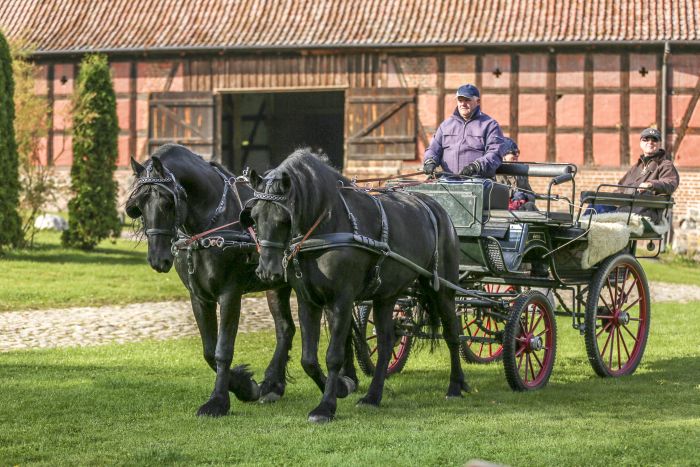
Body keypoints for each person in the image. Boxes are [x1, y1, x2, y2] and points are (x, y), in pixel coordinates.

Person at [589, 127, 679, 223]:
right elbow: (621, 188)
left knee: (600, 212)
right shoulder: (636, 167)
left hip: (646, 211)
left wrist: (651, 184)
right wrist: (608, 199)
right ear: (640, 143)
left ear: (659, 143)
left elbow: (670, 183)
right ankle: (582, 232)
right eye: (646, 139)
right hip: (627, 208)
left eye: (654, 139)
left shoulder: (665, 164)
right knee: (595, 205)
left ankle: (585, 232)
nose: (650, 142)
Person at [423, 83, 504, 178]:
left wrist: (476, 167)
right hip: (447, 181)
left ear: (478, 101)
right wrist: (429, 161)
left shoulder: (490, 125)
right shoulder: (446, 125)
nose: (463, 104)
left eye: (467, 100)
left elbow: (495, 153)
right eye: (460, 100)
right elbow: (433, 148)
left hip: (478, 182)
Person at [495, 137, 537, 211]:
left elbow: (531, 194)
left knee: (530, 206)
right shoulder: (495, 172)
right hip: (502, 210)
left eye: (517, 157)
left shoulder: (520, 172)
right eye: (513, 157)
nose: (516, 160)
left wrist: (525, 196)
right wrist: (512, 194)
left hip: (521, 209)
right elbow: (494, 194)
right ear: (503, 155)